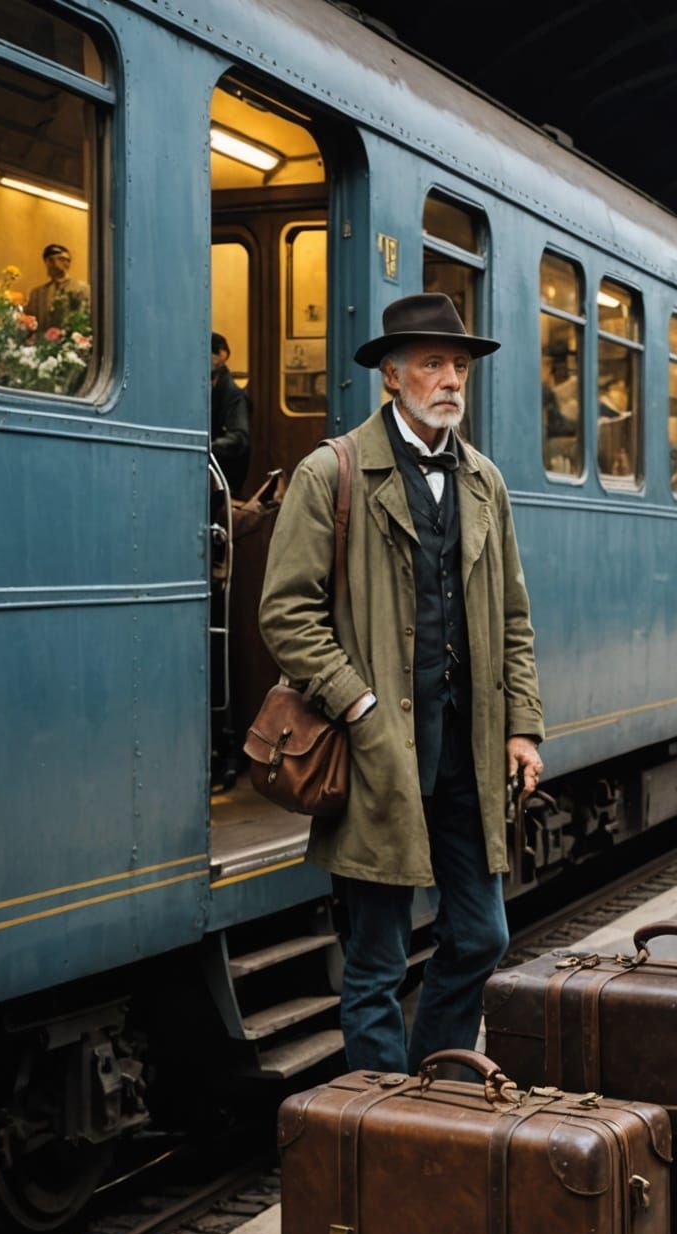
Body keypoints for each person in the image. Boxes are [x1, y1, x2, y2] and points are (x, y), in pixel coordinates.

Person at [260, 292, 543, 1073]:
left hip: (468, 753)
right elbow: (286, 615)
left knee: (483, 935)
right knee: (378, 961)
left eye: (459, 366)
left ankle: (436, 1083)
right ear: (391, 375)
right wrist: (357, 701)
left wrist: (523, 726)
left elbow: (514, 617)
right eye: (431, 363)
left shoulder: (485, 483)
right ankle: (378, 1122)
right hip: (378, 752)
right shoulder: (332, 473)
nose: (451, 379)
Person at [209, 331, 251, 497]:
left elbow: (239, 438)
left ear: (222, 356)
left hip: (226, 473)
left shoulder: (233, 395)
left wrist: (209, 447)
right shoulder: (208, 388)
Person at [25, 243, 90, 333]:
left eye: (61, 259)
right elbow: (29, 320)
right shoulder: (37, 294)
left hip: (72, 343)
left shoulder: (82, 289)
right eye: (50, 260)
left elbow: (87, 319)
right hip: (43, 343)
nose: (55, 264)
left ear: (68, 263)